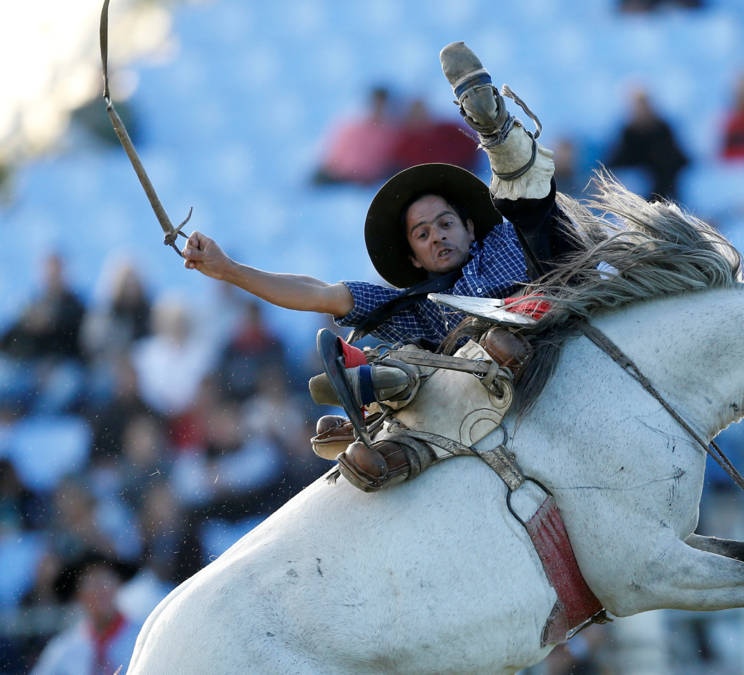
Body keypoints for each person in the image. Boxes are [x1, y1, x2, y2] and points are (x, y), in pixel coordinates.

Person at [182, 42, 578, 489]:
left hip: (550, 312)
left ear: (469, 227)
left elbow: (534, 212)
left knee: (528, 206)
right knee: (413, 367)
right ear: (412, 256)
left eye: (445, 223)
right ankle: (382, 420)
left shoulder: (504, 240)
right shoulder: (416, 307)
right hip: (479, 386)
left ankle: (494, 127)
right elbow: (320, 293)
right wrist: (229, 270)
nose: (437, 236)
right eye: (422, 234)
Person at [31, 553, 142, 675]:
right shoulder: (64, 649)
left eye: (105, 580)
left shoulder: (142, 638)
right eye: (91, 583)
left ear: (118, 584)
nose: (100, 590)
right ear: (77, 594)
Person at [607, 88, 689, 200]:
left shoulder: (663, 129)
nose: (642, 109)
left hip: (663, 189)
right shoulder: (628, 133)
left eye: (644, 104)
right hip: (637, 192)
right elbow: (616, 161)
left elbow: (676, 159)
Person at [312, 85, 403, 185]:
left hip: (370, 179)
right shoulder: (351, 126)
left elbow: (387, 160)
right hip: (342, 176)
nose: (379, 109)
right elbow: (332, 155)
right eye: (376, 104)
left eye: (382, 105)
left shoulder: (390, 132)